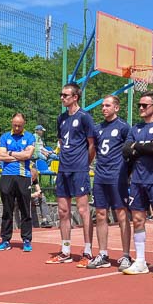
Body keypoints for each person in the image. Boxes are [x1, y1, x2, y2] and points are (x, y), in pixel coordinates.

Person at [121, 90, 153, 277]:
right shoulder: (135, 128)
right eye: (139, 105)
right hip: (137, 180)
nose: (141, 108)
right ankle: (140, 261)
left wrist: (138, 147)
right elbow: (126, 151)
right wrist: (142, 147)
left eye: (145, 105)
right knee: (137, 220)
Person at [45, 82, 96, 265]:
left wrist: (84, 163)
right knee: (63, 211)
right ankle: (65, 250)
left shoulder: (85, 118)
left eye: (65, 95)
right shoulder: (61, 118)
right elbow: (61, 141)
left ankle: (88, 251)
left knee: (83, 211)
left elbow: (92, 145)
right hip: (63, 169)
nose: (62, 98)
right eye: (61, 94)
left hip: (79, 169)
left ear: (75, 97)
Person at [86, 95, 134, 272]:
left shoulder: (123, 128)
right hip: (100, 176)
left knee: (121, 215)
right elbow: (93, 150)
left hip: (117, 177)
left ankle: (126, 255)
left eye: (108, 105)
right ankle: (103, 254)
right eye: (103, 105)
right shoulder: (97, 129)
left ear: (117, 108)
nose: (104, 108)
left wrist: (126, 173)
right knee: (100, 214)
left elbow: (130, 154)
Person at [0, 113, 36, 252]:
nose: (17, 127)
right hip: (7, 176)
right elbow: (1, 156)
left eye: (20, 125)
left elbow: (28, 155)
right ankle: (5, 240)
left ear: (24, 124)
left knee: (25, 209)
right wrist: (19, 156)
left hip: (23, 176)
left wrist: (10, 154)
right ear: (12, 122)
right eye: (15, 124)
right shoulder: (5, 136)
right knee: (7, 209)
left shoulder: (29, 137)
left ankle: (26, 240)